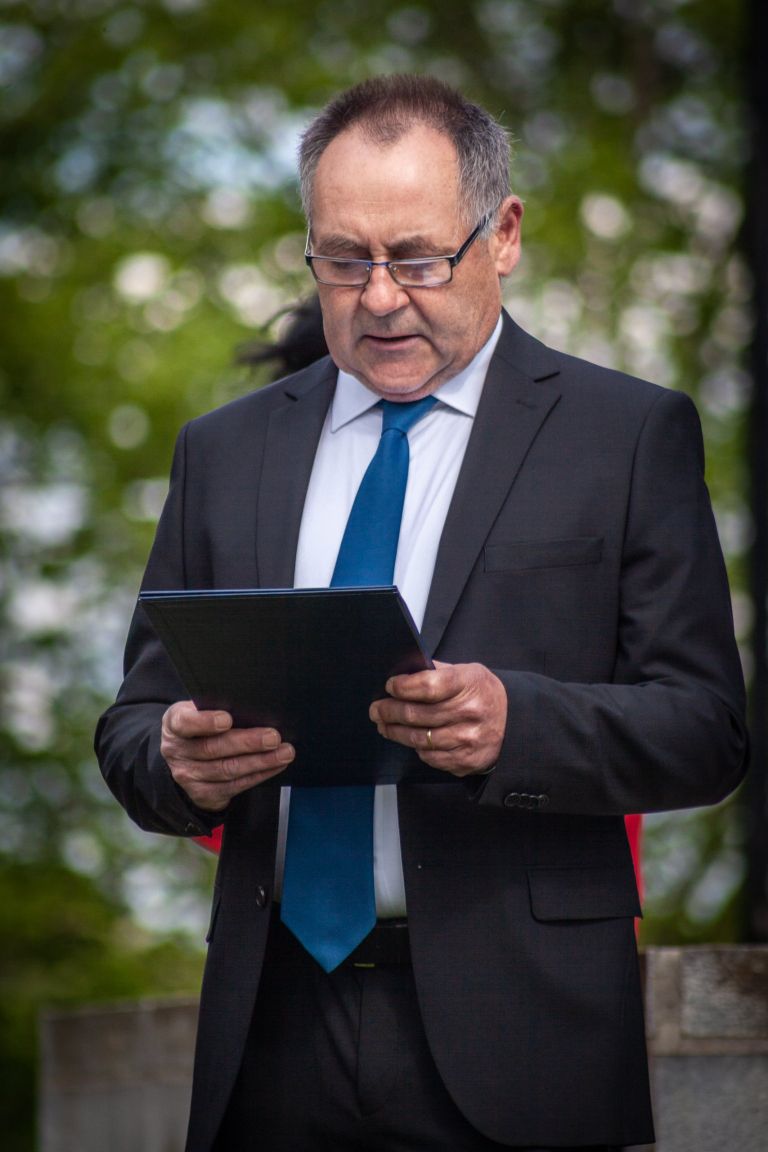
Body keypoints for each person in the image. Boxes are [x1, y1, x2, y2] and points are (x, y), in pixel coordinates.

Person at [96, 75, 747, 1151]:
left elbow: (708, 732)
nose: (380, 297)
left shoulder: (626, 436)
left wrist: (517, 722)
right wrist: (173, 758)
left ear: (505, 235)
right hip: (270, 1030)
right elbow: (130, 727)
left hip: (525, 1030)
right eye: (343, 260)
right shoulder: (223, 452)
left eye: (417, 258)